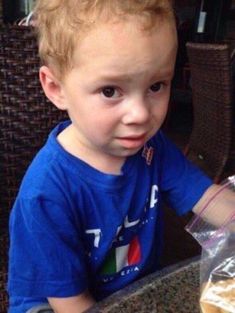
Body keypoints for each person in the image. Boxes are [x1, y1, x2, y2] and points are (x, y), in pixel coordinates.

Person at [7, 1, 235, 313]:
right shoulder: (47, 193)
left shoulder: (153, 148)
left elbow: (208, 200)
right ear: (56, 88)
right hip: (56, 303)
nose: (140, 114)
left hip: (131, 290)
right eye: (110, 91)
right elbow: (71, 304)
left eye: (156, 86)